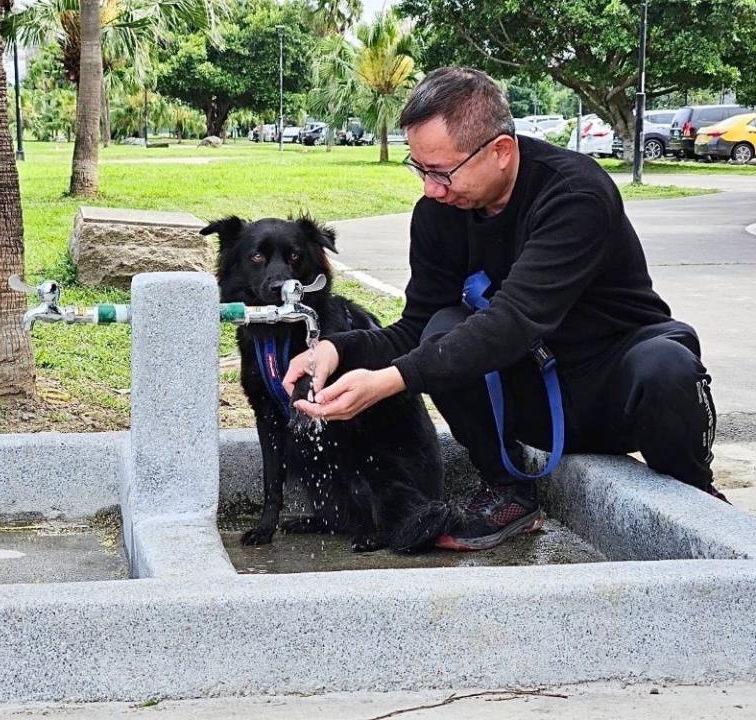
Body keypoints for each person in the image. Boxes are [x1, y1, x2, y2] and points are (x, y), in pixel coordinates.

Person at [284, 67, 722, 552]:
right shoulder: (439, 215)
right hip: (529, 396)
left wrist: (390, 381)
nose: (431, 189)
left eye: (442, 172)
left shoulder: (575, 193)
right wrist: (334, 350)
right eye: (420, 168)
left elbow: (513, 322)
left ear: (501, 151)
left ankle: (695, 496)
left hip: (618, 387)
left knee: (667, 365)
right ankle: (507, 490)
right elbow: (415, 328)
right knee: (443, 328)